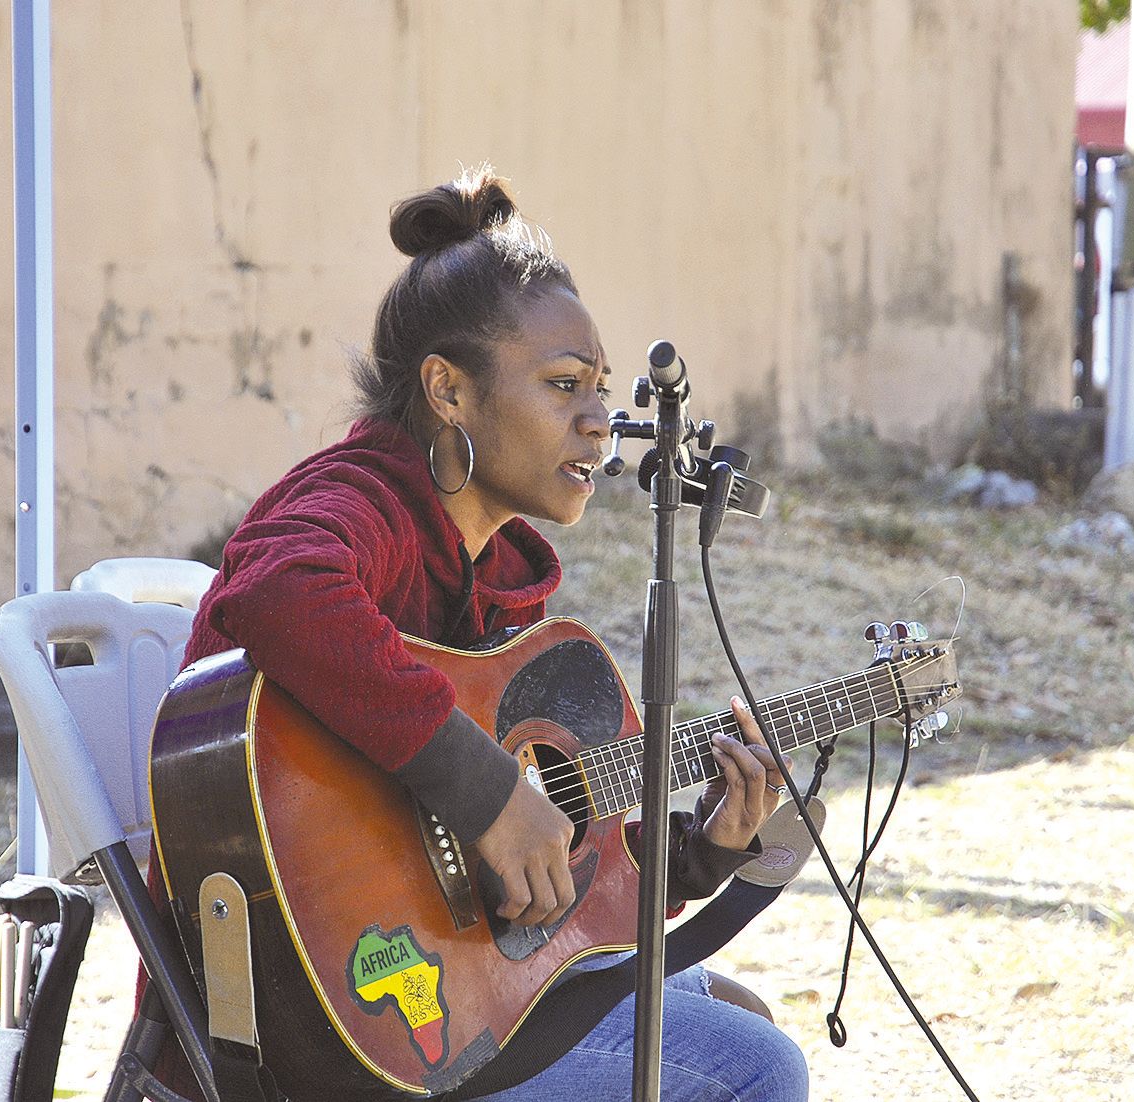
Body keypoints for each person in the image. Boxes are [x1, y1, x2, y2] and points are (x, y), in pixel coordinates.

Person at [166, 166, 808, 1102]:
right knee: (751, 1070)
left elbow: (553, 904)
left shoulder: (498, 589)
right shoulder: (361, 504)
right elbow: (279, 588)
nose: (600, 421)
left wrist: (704, 848)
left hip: (453, 985)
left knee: (733, 1015)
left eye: (599, 386)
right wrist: (484, 785)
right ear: (449, 391)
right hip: (308, 1022)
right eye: (562, 386)